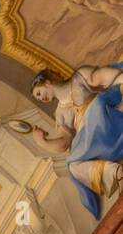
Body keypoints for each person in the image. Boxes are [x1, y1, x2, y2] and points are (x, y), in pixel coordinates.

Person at [31, 65, 123, 216]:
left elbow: (107, 76)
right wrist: (42, 142)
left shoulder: (78, 79)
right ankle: (115, 172)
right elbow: (64, 144)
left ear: (47, 83)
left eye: (39, 93)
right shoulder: (60, 113)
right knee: (72, 165)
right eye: (38, 98)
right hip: (94, 142)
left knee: (96, 107)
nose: (42, 98)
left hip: (109, 121)